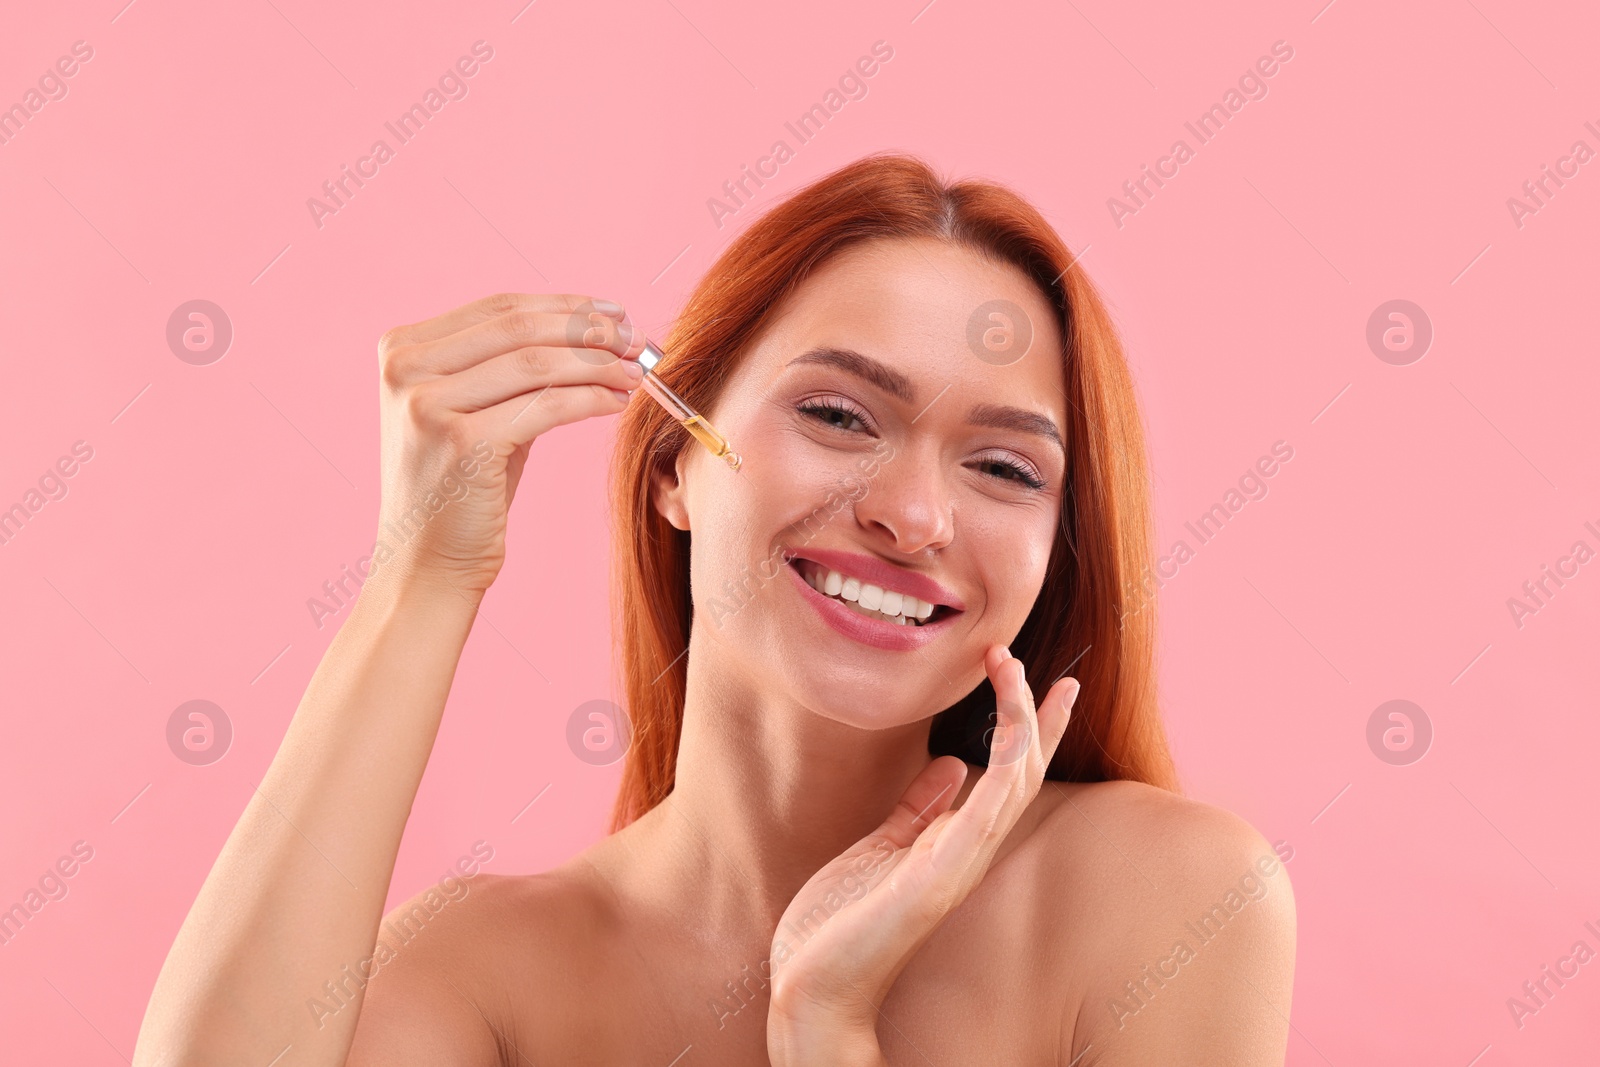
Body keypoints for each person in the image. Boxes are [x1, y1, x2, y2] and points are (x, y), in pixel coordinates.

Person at [134, 152, 1295, 1066]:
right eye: (839, 415)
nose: (909, 513)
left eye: (1003, 468)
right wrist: (423, 575)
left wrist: (827, 1030)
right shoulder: (484, 967)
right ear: (673, 466)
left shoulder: (1167, 900)